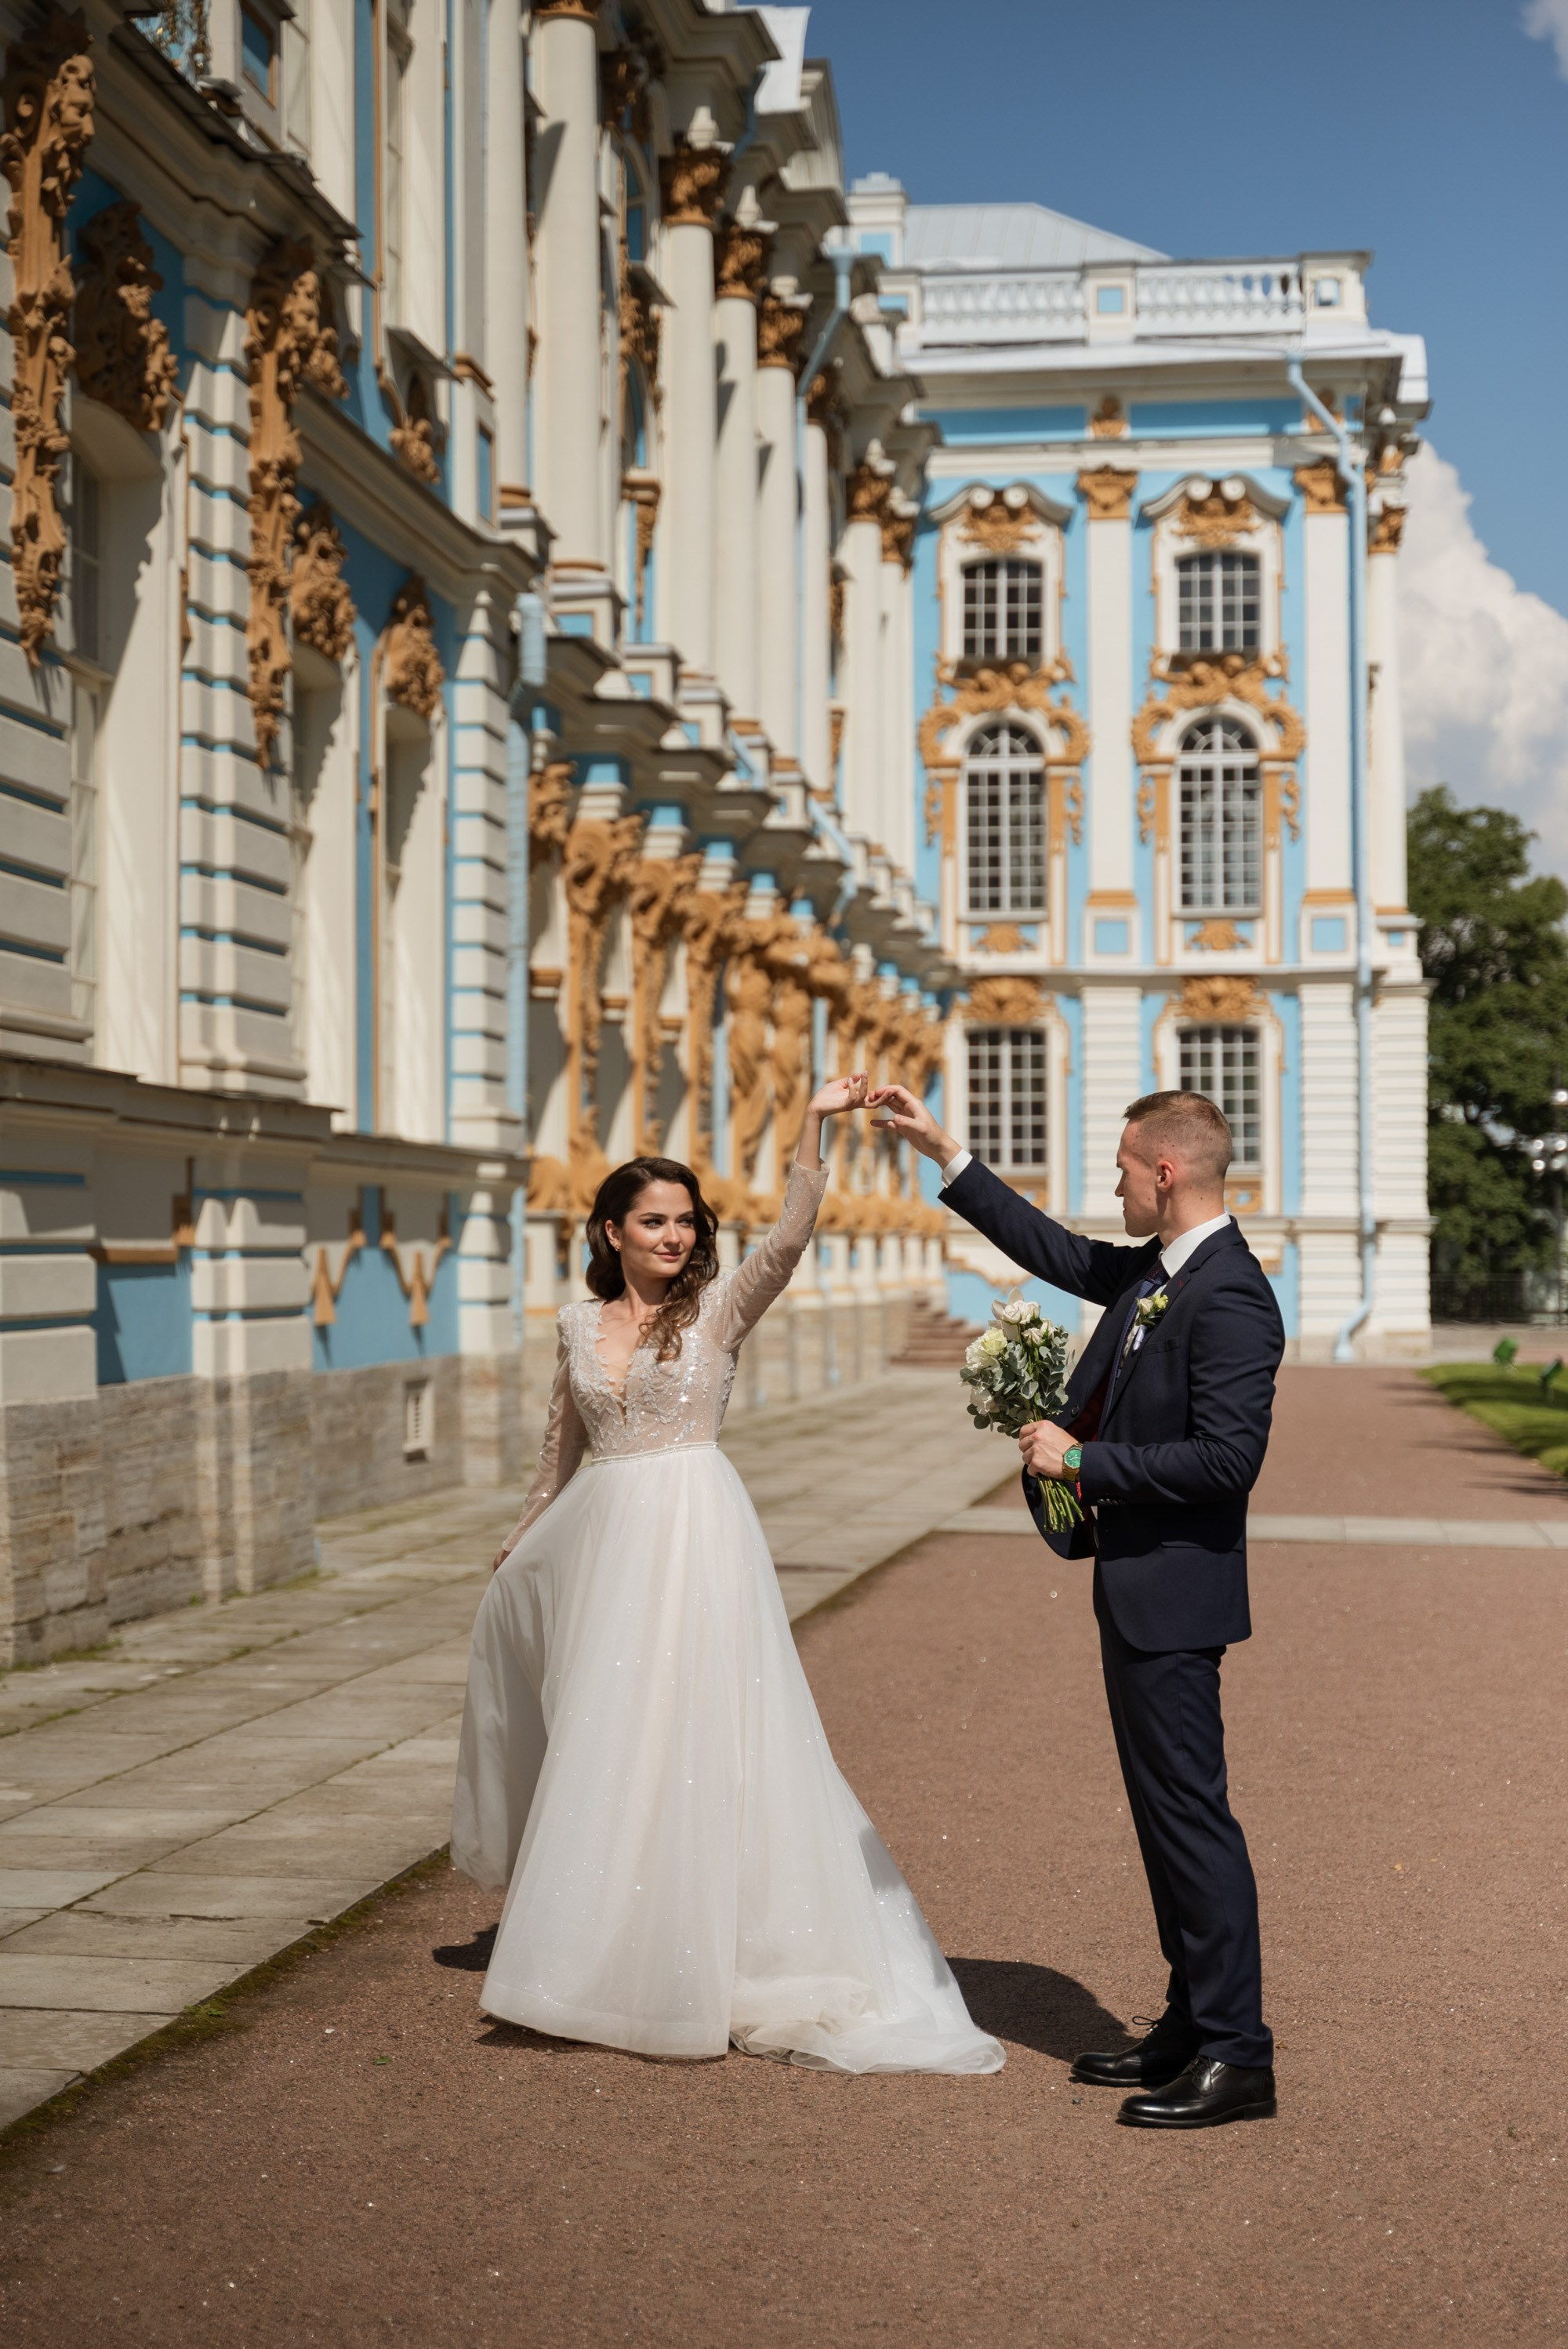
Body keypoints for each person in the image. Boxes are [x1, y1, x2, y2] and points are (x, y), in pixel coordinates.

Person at [450, 1073, 1003, 2076]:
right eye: (652, 1219)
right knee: (608, 1730)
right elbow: (556, 1449)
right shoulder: (576, 1327)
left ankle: (723, 1945)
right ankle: (599, 1950)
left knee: (701, 1724)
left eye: (683, 1220)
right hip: (603, 1543)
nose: (672, 1234)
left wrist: (810, 1121)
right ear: (610, 1229)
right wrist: (522, 1536)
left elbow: (788, 1235)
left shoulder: (717, 1313)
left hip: (697, 1533)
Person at [869, 1083, 1282, 2129]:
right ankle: (1190, 2025)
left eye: (1122, 1164)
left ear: (1166, 1172)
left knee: (1193, 1819)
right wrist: (944, 1151)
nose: (1112, 1182)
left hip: (1178, 1598)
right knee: (1163, 1821)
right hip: (1137, 1589)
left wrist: (1085, 1458)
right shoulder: (1156, 1272)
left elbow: (1230, 1460)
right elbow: (1052, 1249)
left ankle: (1239, 2055)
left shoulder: (1229, 1292)